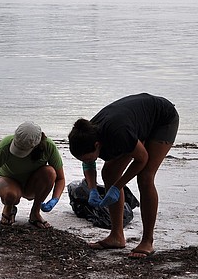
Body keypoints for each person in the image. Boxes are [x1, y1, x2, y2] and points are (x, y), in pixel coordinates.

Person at [68, 93, 179, 259]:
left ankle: (147, 241)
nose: (90, 161)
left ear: (97, 145)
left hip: (162, 119)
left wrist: (117, 187)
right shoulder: (87, 133)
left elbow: (142, 159)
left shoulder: (118, 133)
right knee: (109, 172)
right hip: (135, 123)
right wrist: (92, 189)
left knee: (145, 177)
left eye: (90, 157)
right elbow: (89, 164)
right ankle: (116, 236)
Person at [0, 121, 66, 229]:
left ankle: (35, 213)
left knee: (50, 172)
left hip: (31, 184)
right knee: (10, 195)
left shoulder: (49, 146)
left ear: (36, 145)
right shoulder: (5, 146)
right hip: (7, 180)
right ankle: (9, 207)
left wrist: (55, 199)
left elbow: (60, 178)